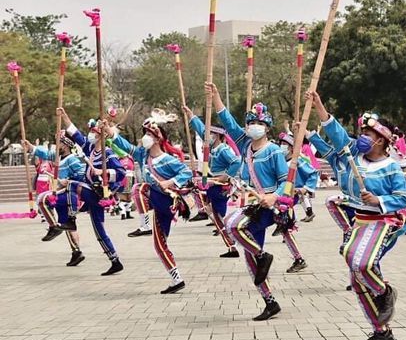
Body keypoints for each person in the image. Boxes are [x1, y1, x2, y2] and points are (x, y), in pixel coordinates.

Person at [307, 90, 406, 340]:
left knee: (362, 264)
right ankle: (381, 332)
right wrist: (319, 103)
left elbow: (401, 198)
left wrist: (378, 200)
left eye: (369, 135)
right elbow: (336, 132)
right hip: (360, 221)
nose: (363, 138)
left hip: (384, 221)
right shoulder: (353, 154)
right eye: (363, 133)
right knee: (356, 277)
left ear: (381, 141)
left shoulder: (392, 167)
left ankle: (385, 292)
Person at [206, 82, 288, 321]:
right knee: (251, 261)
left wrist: (273, 195)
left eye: (260, 123)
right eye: (251, 123)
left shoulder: (274, 151)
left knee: (232, 226)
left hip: (266, 206)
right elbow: (228, 123)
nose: (255, 127)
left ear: (268, 127)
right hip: (248, 202)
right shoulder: (244, 145)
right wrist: (218, 96)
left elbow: (286, 181)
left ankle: (263, 256)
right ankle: (270, 302)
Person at [107, 109, 192, 293]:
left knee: (140, 188)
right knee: (159, 245)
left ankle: (144, 225)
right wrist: (110, 131)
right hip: (155, 199)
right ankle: (176, 279)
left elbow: (187, 173)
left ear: (156, 138)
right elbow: (125, 145)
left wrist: (169, 182)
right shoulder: (142, 156)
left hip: (167, 202)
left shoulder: (168, 159)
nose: (143, 137)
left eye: (147, 134)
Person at [58, 109, 126, 276]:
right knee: (99, 230)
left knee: (72, 185)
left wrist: (101, 173)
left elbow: (121, 173)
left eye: (93, 132)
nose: (89, 134)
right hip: (91, 193)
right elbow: (76, 135)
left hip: (98, 193)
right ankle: (115, 260)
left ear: (100, 135)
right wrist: (65, 116)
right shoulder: (89, 149)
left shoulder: (107, 154)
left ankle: (71, 218)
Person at [184, 106, 242, 258]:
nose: (207, 135)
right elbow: (202, 130)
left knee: (218, 216)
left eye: (211, 134)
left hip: (219, 184)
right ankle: (231, 244)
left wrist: (226, 176)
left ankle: (233, 242)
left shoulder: (223, 149)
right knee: (213, 213)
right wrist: (191, 115)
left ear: (217, 135)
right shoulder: (213, 147)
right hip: (213, 182)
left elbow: (236, 162)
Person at [24, 133, 87, 266]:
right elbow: (45, 154)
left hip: (68, 193)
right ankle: (76, 252)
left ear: (66, 145)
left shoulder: (72, 159)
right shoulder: (58, 157)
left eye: (60, 143)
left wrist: (69, 180)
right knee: (67, 224)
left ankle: (53, 227)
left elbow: (82, 174)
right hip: (61, 192)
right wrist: (31, 147)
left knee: (42, 199)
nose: (57, 145)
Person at [276, 132, 318, 273]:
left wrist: (305, 189)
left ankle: (298, 259)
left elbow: (313, 173)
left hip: (289, 198)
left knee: (285, 229)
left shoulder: (297, 161)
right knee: (284, 229)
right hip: (277, 198)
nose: (282, 146)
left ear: (291, 147)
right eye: (280, 143)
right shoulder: (279, 160)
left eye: (285, 144)